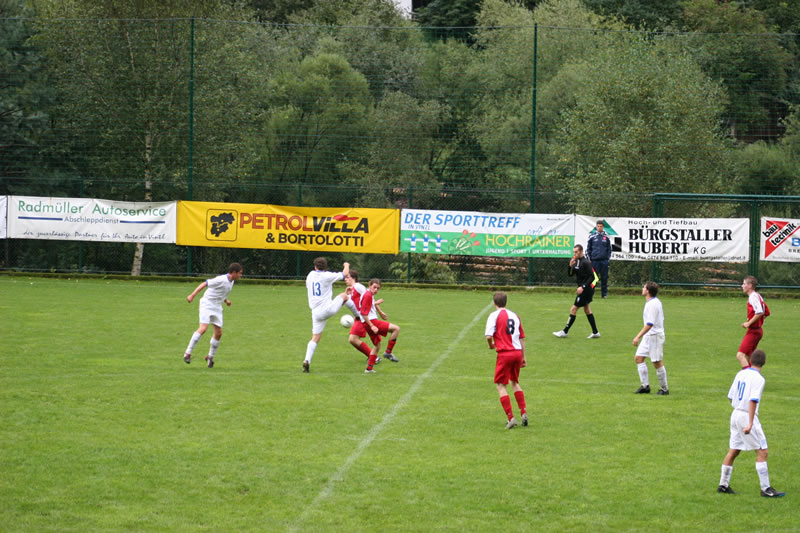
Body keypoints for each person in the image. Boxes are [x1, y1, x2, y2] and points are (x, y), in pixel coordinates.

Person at [717, 349, 785, 498]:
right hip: (746, 416)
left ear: (750, 361)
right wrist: (750, 422)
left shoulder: (741, 373)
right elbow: (753, 400)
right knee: (762, 451)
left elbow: (730, 396)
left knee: (734, 450)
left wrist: (739, 408)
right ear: (764, 363)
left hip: (735, 414)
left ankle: (723, 485)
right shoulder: (759, 379)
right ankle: (766, 489)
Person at [303, 257, 362, 373]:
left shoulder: (310, 275)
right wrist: (346, 265)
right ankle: (359, 316)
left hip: (315, 312)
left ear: (315, 267)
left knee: (315, 338)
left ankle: (307, 360)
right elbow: (344, 274)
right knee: (344, 296)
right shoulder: (327, 276)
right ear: (325, 267)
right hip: (327, 309)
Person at [183, 262, 243, 368]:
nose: (241, 275)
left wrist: (226, 300)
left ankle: (210, 357)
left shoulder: (232, 281)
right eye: (240, 273)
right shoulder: (221, 279)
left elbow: (219, 292)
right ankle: (187, 353)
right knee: (203, 328)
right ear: (234, 272)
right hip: (207, 304)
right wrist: (192, 295)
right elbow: (205, 283)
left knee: (218, 333)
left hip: (217, 306)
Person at [485, 291, 528, 430]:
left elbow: (488, 336)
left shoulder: (493, 316)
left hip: (505, 353)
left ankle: (511, 418)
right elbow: (521, 337)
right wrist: (523, 356)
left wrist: (491, 345)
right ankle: (523, 413)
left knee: (500, 385)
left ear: (494, 303)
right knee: (514, 382)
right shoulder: (515, 315)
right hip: (516, 353)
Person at [350, 278, 400, 373]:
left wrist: (380, 312)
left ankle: (369, 369)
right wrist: (372, 325)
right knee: (396, 329)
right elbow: (364, 313)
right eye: (374, 287)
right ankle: (388, 353)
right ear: (369, 286)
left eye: (378, 288)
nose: (376, 290)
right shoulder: (368, 295)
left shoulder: (368, 294)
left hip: (367, 323)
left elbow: (367, 307)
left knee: (377, 345)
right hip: (372, 322)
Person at [553, 244, 600, 339]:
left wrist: (582, 287)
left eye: (576, 252)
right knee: (587, 310)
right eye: (573, 252)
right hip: (583, 289)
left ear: (581, 251)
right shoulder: (576, 261)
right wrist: (570, 266)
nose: (574, 254)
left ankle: (565, 331)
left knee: (573, 309)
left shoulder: (586, 262)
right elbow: (570, 274)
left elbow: (592, 277)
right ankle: (595, 332)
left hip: (586, 290)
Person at [632, 281, 668, 395]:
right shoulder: (650, 302)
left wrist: (637, 336)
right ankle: (645, 386)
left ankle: (664, 389)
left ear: (647, 291)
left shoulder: (653, 304)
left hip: (655, 336)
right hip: (648, 336)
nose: (642, 289)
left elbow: (649, 324)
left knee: (657, 362)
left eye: (644, 287)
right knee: (638, 358)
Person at [736, 276, 769, 369]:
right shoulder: (758, 295)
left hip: (754, 331)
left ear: (750, 285)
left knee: (740, 356)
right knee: (747, 357)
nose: (742, 286)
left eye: (744, 284)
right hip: (757, 331)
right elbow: (766, 312)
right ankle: (752, 377)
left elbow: (759, 312)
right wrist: (759, 321)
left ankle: (749, 377)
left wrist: (749, 323)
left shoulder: (753, 297)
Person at [587, 220, 611, 298]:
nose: (599, 227)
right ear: (596, 227)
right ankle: (591, 293)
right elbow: (588, 249)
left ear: (603, 227)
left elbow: (609, 249)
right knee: (594, 278)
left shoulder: (607, 237)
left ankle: (604, 294)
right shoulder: (592, 236)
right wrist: (589, 259)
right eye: (598, 226)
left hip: (604, 261)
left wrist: (607, 259)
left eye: (601, 226)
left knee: (604, 278)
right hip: (594, 261)